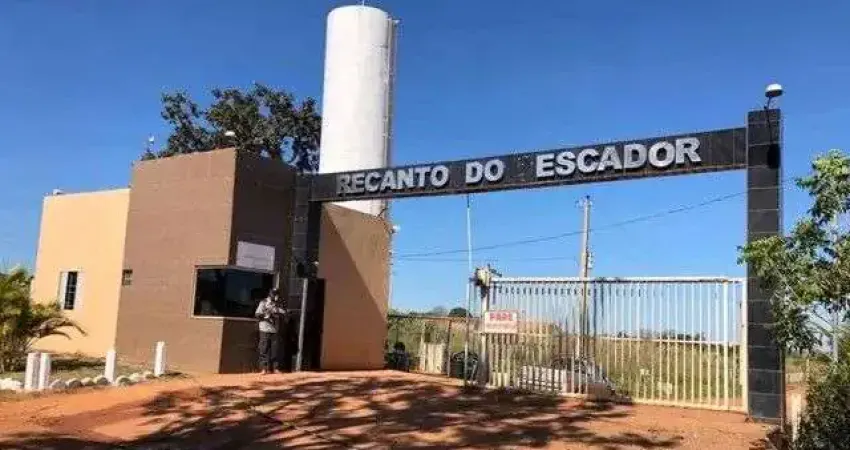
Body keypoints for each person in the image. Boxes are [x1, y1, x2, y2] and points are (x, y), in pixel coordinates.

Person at [255, 289, 286, 374]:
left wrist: (278, 314)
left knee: (275, 349)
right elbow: (257, 314)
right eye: (274, 294)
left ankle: (275, 368)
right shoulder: (264, 303)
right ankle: (264, 368)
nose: (276, 296)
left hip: (275, 329)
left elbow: (284, 313)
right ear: (270, 295)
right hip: (264, 328)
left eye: (277, 294)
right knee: (264, 348)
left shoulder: (278, 304)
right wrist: (267, 316)